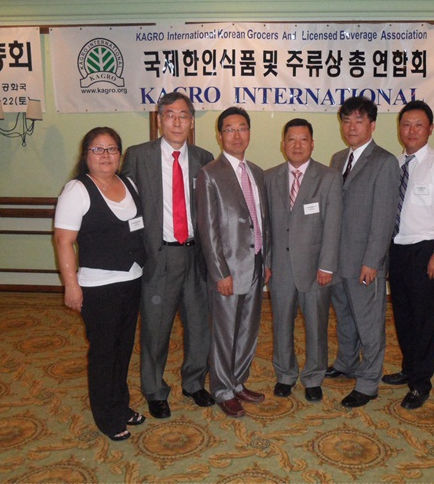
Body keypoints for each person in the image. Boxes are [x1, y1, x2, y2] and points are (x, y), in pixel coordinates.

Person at [121, 92, 215, 419]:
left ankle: (194, 382)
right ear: (159, 119)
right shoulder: (138, 156)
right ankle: (154, 390)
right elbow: (125, 207)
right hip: (158, 257)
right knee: (155, 329)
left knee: (199, 327)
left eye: (184, 115)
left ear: (192, 122)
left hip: (195, 257)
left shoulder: (204, 158)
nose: (177, 122)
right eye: (170, 115)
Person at [54, 127, 147, 441]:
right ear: (86, 155)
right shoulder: (76, 190)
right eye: (98, 149)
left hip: (132, 280)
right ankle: (107, 417)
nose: (106, 155)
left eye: (112, 149)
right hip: (98, 286)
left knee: (123, 350)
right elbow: (63, 241)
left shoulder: (128, 183)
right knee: (104, 353)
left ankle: (120, 405)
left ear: (119, 154)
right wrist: (71, 285)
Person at [383, 100, 434, 409]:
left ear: (430, 129)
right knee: (403, 316)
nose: (411, 130)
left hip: (427, 249)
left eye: (418, 125)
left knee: (425, 320)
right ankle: (409, 368)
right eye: (406, 124)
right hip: (398, 249)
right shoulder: (396, 164)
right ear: (399, 129)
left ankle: (420, 384)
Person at [196, 106, 272, 418]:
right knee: (224, 333)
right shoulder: (209, 174)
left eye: (242, 128)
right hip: (227, 269)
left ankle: (238, 381)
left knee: (247, 330)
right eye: (230, 129)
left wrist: (267, 261)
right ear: (220, 135)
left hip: (256, 264)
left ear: (249, 133)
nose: (236, 135)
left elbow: (262, 221)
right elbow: (208, 228)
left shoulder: (257, 172)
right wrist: (220, 272)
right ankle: (223, 390)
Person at [326, 96, 400, 408]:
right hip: (337, 259)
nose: (351, 127)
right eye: (346, 120)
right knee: (344, 317)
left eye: (359, 120)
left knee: (369, 323)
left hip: (365, 263)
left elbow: (384, 218)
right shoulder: (337, 158)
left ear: (372, 125)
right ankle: (346, 363)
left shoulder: (384, 162)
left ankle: (368, 383)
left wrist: (372, 261)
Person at [265, 118, 342, 402]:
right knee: (281, 324)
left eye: (303, 139)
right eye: (291, 139)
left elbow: (333, 225)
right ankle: (285, 374)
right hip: (280, 268)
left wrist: (327, 265)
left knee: (317, 325)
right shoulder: (269, 177)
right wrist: (267, 263)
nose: (297, 145)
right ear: (282, 144)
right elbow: (266, 226)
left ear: (312, 143)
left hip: (315, 268)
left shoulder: (329, 177)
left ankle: (313, 377)